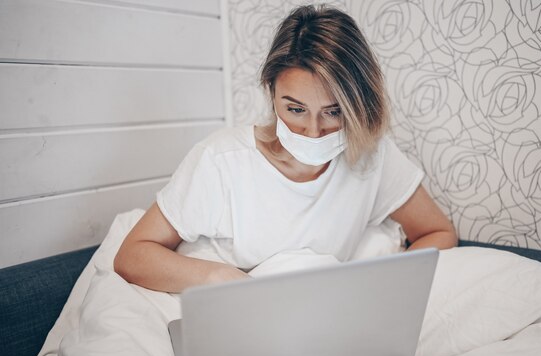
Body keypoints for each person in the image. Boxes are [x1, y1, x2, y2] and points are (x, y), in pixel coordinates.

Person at [114, 4, 457, 293]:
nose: (312, 131)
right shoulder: (222, 161)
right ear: (271, 92)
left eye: (334, 112)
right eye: (295, 109)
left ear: (359, 106)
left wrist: (379, 284)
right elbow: (132, 255)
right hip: (233, 305)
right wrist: (221, 278)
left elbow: (438, 232)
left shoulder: (372, 158)